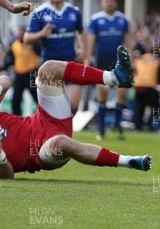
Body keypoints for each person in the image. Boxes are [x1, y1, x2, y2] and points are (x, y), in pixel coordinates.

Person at [0, 46, 151, 179]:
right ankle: (130, 161)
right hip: (40, 152)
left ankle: (115, 77)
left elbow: (5, 81)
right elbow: (9, 175)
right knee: (62, 143)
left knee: (48, 69)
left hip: (44, 118)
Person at [24, 0, 88, 113]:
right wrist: (42, 33)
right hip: (49, 67)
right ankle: (50, 133)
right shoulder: (39, 13)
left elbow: (82, 32)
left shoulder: (74, 11)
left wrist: (84, 51)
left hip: (70, 64)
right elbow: (26, 38)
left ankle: (64, 132)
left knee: (73, 104)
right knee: (52, 109)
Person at [87, 0, 131, 141]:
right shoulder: (95, 20)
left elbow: (129, 41)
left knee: (122, 95)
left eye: (111, 0)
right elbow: (90, 42)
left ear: (116, 2)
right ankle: (101, 129)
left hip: (120, 64)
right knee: (103, 96)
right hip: (102, 64)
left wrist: (130, 61)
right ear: (102, 3)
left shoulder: (123, 19)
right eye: (106, 1)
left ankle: (117, 125)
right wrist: (87, 59)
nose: (109, 3)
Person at [3, 26, 40, 115]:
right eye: (18, 33)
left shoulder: (32, 44)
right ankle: (16, 119)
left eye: (21, 33)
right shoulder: (14, 45)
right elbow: (10, 59)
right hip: (19, 74)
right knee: (16, 98)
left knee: (36, 97)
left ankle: (46, 117)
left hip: (31, 73)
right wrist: (4, 65)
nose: (20, 35)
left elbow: (40, 53)